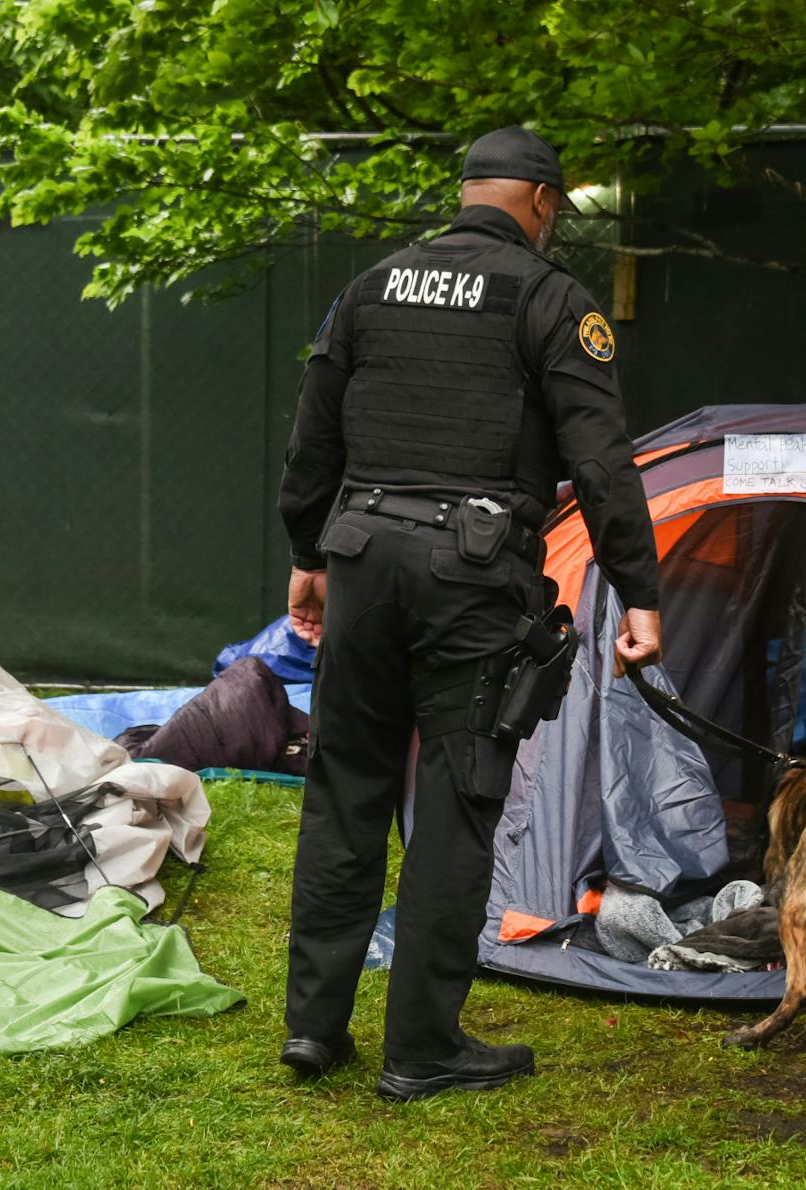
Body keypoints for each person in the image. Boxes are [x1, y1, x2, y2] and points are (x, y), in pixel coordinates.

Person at [276, 125, 663, 1102]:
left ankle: (314, 1028)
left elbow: (312, 436)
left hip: (359, 552)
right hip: (472, 574)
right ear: (537, 199)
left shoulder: (368, 289)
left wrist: (304, 553)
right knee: (456, 796)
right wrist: (641, 592)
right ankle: (420, 1046)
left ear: (466, 193)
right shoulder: (546, 298)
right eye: (557, 209)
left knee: (346, 789)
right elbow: (603, 461)